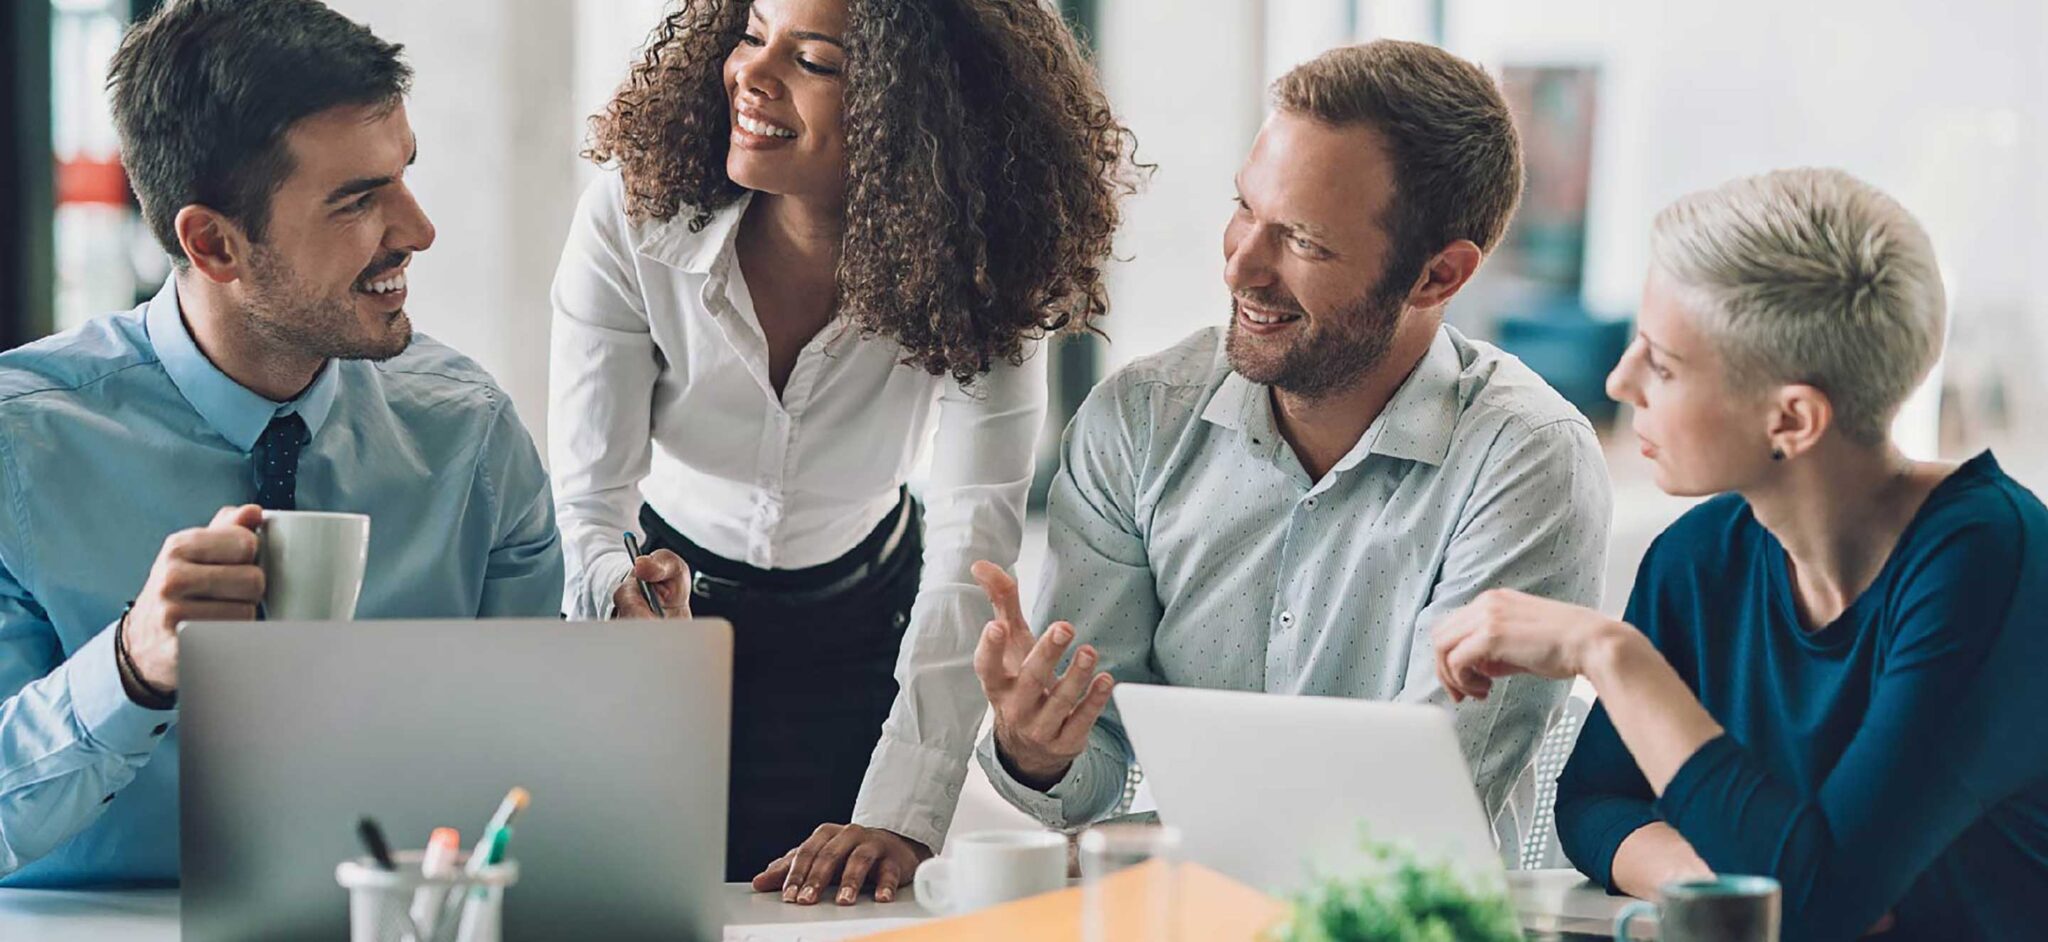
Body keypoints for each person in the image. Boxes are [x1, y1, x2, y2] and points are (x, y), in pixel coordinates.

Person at [548, 0, 1140, 900]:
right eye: (750, 32)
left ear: (918, 110)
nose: (752, 71)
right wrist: (612, 591)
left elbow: (971, 547)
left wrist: (905, 813)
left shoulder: (984, 270)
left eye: (813, 60)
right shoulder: (635, 216)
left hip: (862, 629)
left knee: (834, 906)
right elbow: (591, 503)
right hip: (667, 618)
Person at [967, 40, 1611, 847]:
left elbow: (1430, 805)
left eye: (1303, 241)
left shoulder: (1524, 460)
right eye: (1245, 209)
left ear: (1438, 277)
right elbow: (1092, 769)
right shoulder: (1138, 421)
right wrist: (1038, 751)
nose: (1242, 267)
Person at [0, 0, 563, 886]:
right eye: (359, 201)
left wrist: (625, 685)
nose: (417, 231)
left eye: (403, 175)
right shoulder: (19, 445)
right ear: (214, 244)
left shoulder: (470, 435)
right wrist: (131, 667)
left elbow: (540, 779)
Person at [1431, 168, 2048, 940]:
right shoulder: (1700, 556)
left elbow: (1815, 906)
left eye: (1662, 363)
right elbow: (1593, 805)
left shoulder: (1989, 561)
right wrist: (1722, 885)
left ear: (1791, 419)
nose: (1622, 382)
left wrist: (1609, 653)